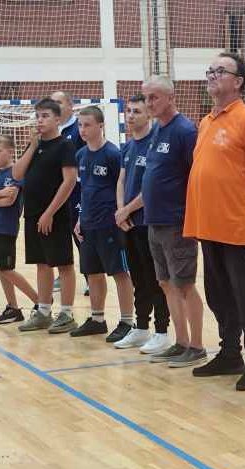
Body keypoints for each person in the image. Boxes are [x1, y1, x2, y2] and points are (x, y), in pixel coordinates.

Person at [184, 52, 245, 391]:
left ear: (238, 82)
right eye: (210, 70)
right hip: (210, 228)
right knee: (219, 297)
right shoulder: (206, 121)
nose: (212, 75)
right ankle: (229, 354)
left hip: (239, 229)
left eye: (220, 71)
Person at [139, 76, 207, 368]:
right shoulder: (157, 129)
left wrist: (192, 217)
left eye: (154, 97)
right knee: (166, 283)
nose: (149, 103)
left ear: (171, 97)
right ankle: (181, 341)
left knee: (185, 285)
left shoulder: (185, 131)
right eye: (146, 97)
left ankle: (197, 346)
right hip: (154, 221)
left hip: (177, 222)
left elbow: (197, 176)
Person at [12, 98, 78, 333]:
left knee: (63, 264)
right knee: (42, 263)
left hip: (55, 215)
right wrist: (31, 146)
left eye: (45, 116)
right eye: (38, 116)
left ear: (58, 119)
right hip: (33, 214)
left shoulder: (65, 145)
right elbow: (17, 174)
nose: (40, 120)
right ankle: (43, 312)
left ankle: (67, 314)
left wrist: (50, 212)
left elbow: (69, 181)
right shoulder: (35, 145)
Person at [113, 94, 172, 354]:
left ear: (149, 114)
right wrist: (120, 211)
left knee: (155, 279)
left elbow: (151, 186)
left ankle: (162, 331)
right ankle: (141, 327)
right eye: (128, 110)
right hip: (128, 224)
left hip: (148, 222)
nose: (131, 115)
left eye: (136, 111)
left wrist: (127, 210)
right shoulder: (127, 147)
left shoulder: (154, 144)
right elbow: (121, 180)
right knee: (138, 278)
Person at [70, 106, 135, 341]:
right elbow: (86, 190)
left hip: (110, 224)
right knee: (93, 273)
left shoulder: (112, 154)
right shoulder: (80, 155)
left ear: (100, 125)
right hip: (88, 224)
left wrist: (121, 214)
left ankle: (127, 321)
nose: (82, 129)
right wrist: (80, 219)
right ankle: (97, 320)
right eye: (80, 125)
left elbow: (123, 186)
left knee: (119, 272)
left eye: (87, 125)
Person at [0, 134, 38, 323]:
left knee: (6, 269)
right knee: (0, 269)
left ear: (10, 152)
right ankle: (13, 308)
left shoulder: (15, 174)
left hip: (5, 229)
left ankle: (40, 301)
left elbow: (9, 201)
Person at [50, 90, 89, 296]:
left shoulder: (79, 129)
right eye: (52, 102)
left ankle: (90, 276)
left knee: (80, 234)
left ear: (70, 105)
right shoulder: (52, 131)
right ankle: (62, 273)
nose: (55, 106)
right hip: (57, 192)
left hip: (77, 192)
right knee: (59, 237)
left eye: (59, 102)